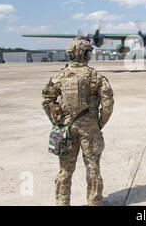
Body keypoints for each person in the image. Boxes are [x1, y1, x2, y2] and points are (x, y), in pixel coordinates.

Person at [42, 38, 114, 206]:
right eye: (89, 52)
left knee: (65, 170)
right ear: (84, 54)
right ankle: (94, 202)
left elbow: (47, 100)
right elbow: (107, 104)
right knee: (93, 168)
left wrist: (58, 121)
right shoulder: (95, 76)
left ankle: (62, 203)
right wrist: (98, 124)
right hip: (89, 129)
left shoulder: (60, 76)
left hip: (65, 128)